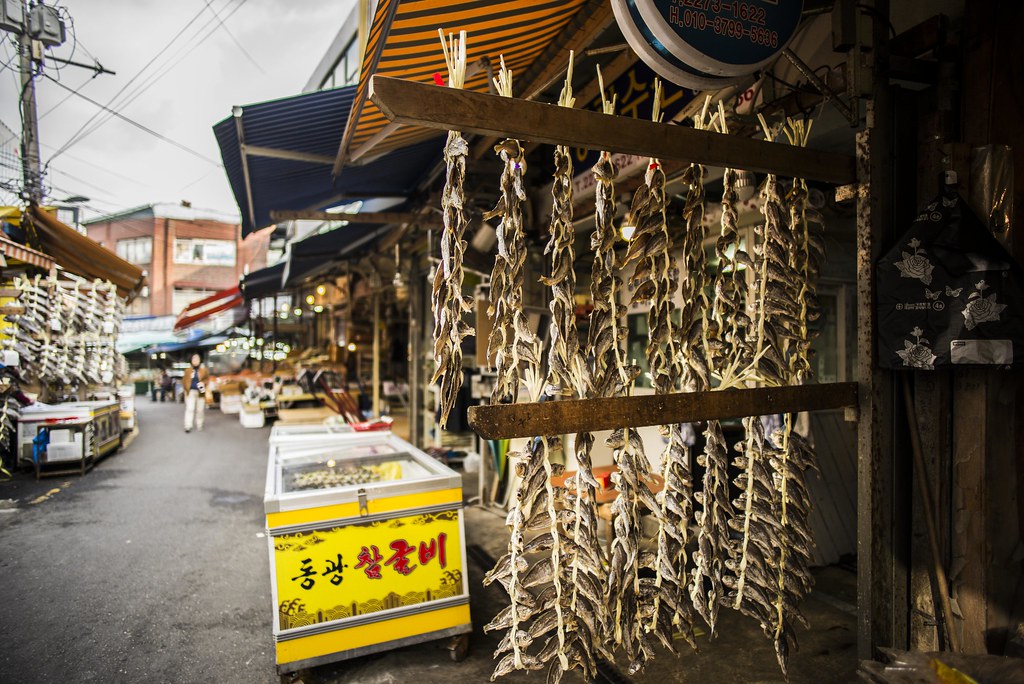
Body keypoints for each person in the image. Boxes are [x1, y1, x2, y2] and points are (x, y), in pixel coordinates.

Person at [182, 354, 210, 433]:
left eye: (197, 359)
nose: (195, 361)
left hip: (200, 391)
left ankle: (199, 424)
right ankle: (188, 426)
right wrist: (186, 390)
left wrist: (203, 383)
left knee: (200, 410)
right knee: (190, 408)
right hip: (190, 392)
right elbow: (184, 381)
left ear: (200, 360)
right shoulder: (188, 371)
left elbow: (207, 380)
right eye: (194, 359)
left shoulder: (204, 370)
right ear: (191, 361)